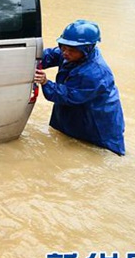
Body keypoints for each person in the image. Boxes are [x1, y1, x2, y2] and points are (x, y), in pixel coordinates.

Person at [33, 19, 125, 156]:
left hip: (97, 120)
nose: (65, 52)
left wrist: (46, 83)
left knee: (102, 155)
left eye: (70, 50)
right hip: (76, 112)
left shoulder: (95, 73)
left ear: (87, 49)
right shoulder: (71, 53)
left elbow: (69, 96)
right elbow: (49, 56)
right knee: (64, 140)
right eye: (63, 47)